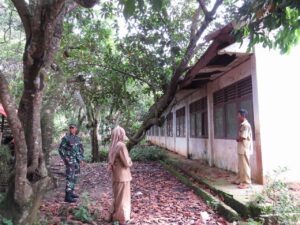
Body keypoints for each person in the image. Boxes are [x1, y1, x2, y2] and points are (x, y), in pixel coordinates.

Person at [108, 126, 132, 225]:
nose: (124, 135)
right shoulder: (121, 145)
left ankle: (113, 216)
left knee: (117, 197)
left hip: (116, 176)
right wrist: (130, 161)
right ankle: (122, 220)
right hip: (123, 176)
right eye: (123, 133)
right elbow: (127, 162)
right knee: (123, 198)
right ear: (121, 134)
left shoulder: (113, 146)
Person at [58, 123, 84, 203]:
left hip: (76, 161)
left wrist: (81, 159)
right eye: (70, 128)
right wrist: (65, 158)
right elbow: (61, 149)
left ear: (76, 129)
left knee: (75, 177)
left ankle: (71, 192)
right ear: (69, 129)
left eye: (73, 128)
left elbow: (80, 149)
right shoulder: (66, 138)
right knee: (70, 177)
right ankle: (67, 196)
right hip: (70, 160)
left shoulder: (77, 138)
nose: (72, 129)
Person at [232, 109, 253, 189]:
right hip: (241, 148)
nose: (237, 117)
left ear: (242, 116)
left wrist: (238, 139)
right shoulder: (242, 125)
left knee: (245, 166)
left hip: (245, 148)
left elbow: (243, 137)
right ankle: (239, 180)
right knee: (241, 166)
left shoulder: (246, 125)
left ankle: (247, 182)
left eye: (238, 115)